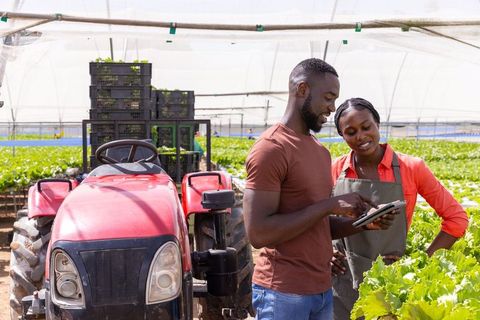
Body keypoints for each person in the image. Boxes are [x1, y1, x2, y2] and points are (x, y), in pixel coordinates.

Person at [243, 59, 395, 320]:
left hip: (322, 291)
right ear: (302, 89)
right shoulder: (271, 148)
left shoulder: (319, 152)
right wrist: (330, 205)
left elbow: (319, 226)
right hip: (283, 294)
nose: (332, 108)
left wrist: (366, 223)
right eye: (328, 97)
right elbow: (258, 233)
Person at [330, 97, 469, 319]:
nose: (361, 137)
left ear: (378, 124)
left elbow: (456, 218)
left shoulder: (411, 168)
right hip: (341, 281)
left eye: (366, 127)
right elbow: (315, 219)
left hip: (389, 288)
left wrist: (421, 262)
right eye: (351, 132)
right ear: (342, 135)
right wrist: (326, 251)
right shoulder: (335, 169)